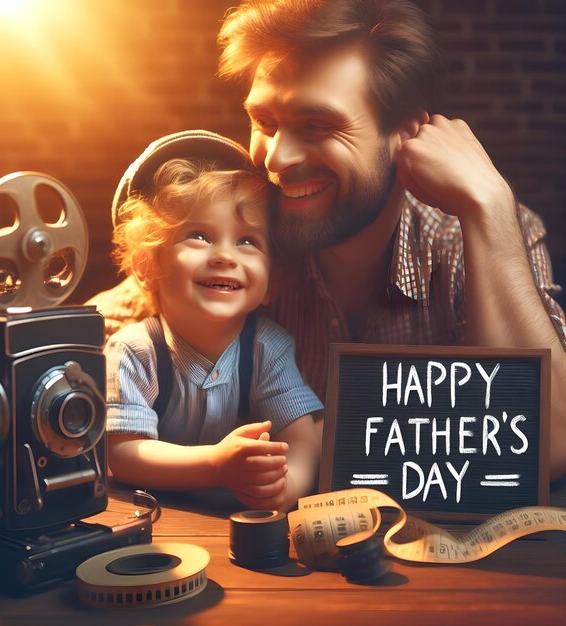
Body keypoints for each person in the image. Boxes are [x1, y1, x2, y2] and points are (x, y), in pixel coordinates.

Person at [214, 0, 566, 479]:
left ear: (405, 134)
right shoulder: (240, 237)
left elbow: (551, 445)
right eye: (266, 124)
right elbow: (126, 328)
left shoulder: (470, 236)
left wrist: (489, 204)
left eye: (317, 125)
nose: (277, 158)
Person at [104, 130, 322, 511]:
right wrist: (215, 465)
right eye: (199, 235)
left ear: (273, 281)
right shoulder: (132, 351)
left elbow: (303, 438)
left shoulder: (268, 348)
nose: (224, 255)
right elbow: (122, 454)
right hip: (151, 521)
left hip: (232, 526)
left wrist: (287, 488)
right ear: (147, 266)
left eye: (247, 241)